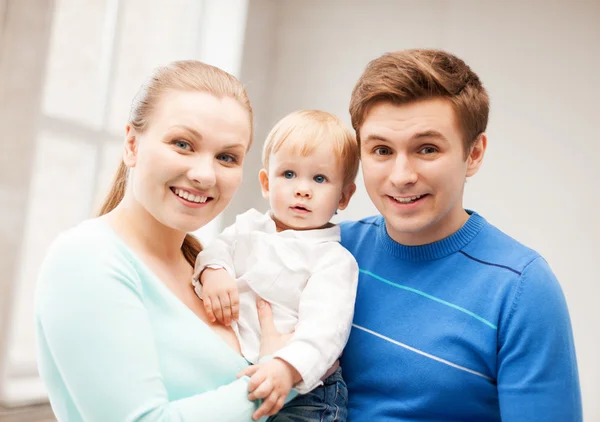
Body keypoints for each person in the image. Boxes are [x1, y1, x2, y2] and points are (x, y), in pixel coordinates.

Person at [35, 60, 296, 421]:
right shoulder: (86, 259)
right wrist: (283, 375)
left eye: (226, 157)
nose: (204, 175)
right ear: (131, 144)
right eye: (183, 144)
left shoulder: (212, 271)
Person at [339, 49, 583, 421]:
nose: (401, 175)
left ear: (474, 154)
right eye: (382, 150)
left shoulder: (521, 288)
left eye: (427, 149)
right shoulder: (327, 250)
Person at [193, 109, 360, 422]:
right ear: (266, 183)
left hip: (306, 393)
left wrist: (286, 366)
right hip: (248, 374)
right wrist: (214, 270)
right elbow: (215, 250)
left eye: (320, 178)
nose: (302, 189)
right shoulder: (247, 228)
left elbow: (325, 331)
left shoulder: (332, 260)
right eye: (289, 174)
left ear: (344, 196)